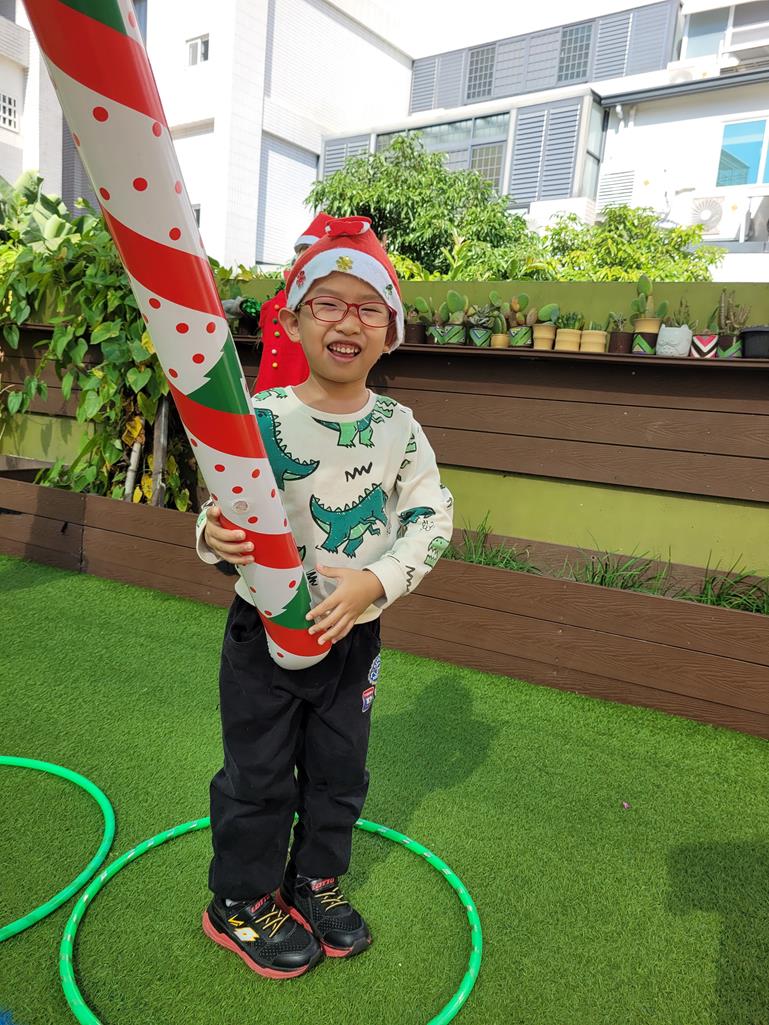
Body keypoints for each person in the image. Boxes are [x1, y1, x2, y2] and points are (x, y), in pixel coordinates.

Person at [196, 215, 454, 979]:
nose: (348, 321)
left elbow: (432, 516)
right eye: (329, 303)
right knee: (258, 771)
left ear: (390, 331)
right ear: (293, 320)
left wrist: (376, 581)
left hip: (352, 635)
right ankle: (240, 897)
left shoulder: (398, 428)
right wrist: (214, 534)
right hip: (263, 629)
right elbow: (218, 511)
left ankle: (313, 878)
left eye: (369, 307)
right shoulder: (260, 418)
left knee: (340, 767)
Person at [252, 211, 334, 393]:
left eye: (309, 255)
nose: (301, 261)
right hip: (270, 385)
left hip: (303, 386)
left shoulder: (326, 300)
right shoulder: (281, 298)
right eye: (301, 255)